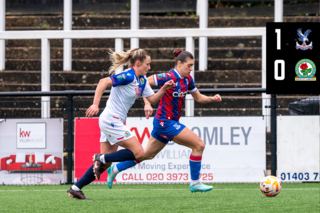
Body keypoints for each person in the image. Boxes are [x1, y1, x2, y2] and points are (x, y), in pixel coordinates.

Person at [105, 49, 222, 193]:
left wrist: (212, 98)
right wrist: (147, 103)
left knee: (146, 154)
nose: (191, 69)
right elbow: (143, 82)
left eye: (192, 65)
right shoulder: (168, 76)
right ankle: (195, 182)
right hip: (165, 122)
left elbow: (198, 98)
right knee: (199, 145)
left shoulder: (188, 79)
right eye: (189, 65)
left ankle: (115, 169)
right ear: (179, 63)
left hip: (166, 123)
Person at [67, 48, 174, 200]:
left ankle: (75, 188)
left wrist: (163, 88)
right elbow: (103, 82)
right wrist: (95, 104)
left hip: (112, 121)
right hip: (111, 119)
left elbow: (152, 100)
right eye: (147, 64)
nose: (149, 68)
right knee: (139, 153)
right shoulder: (128, 75)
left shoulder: (142, 80)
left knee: (105, 165)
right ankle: (101, 158)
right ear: (138, 63)